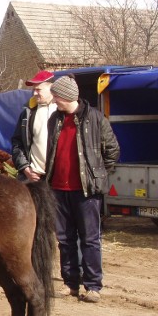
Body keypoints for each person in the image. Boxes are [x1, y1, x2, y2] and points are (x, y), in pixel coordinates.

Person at [46, 75, 120, 303]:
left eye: (56, 97)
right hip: (58, 189)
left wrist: (97, 175)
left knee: (89, 239)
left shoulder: (96, 119)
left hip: (86, 192)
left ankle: (93, 285)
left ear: (66, 96)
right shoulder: (54, 120)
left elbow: (112, 151)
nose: (54, 101)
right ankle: (70, 283)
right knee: (65, 240)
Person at [11, 70, 58, 181]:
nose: (34, 93)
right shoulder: (28, 113)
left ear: (52, 88)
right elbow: (17, 143)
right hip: (34, 178)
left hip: (58, 178)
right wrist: (25, 168)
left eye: (38, 90)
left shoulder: (62, 111)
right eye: (34, 90)